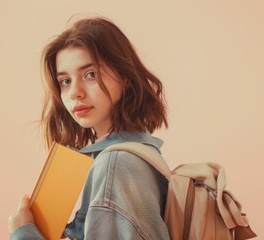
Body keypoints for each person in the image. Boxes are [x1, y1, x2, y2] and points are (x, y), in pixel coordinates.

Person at [9, 16, 170, 240]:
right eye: (65, 81)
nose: (75, 92)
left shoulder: (116, 164)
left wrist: (23, 233)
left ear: (124, 77)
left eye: (90, 74)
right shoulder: (138, 152)